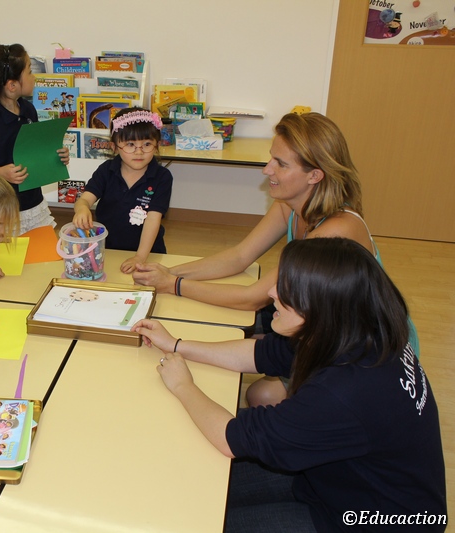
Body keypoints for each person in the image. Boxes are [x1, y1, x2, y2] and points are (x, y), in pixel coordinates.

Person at [133, 238, 446, 533]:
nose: (271, 292)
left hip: (369, 519)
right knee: (196, 484)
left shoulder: (344, 391)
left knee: (201, 522)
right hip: (335, 477)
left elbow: (232, 438)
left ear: (319, 307)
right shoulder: (353, 329)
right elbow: (260, 354)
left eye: (286, 290)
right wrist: (176, 345)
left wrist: (184, 386)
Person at [131, 111, 418, 405]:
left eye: (280, 164)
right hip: (318, 322)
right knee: (241, 352)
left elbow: (253, 298)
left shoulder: (335, 231)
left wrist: (173, 285)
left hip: (363, 348)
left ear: (315, 175)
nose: (267, 169)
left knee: (260, 395)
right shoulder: (292, 202)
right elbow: (239, 256)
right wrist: (168, 273)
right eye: (271, 158)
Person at [0, 43, 70, 235]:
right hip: (2, 209)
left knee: (42, 247)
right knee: (9, 252)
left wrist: (57, 155)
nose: (34, 77)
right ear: (12, 85)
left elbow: (34, 151)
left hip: (33, 201)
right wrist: (0, 172)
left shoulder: (28, 110)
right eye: (30, 72)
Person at [72, 107, 173, 274]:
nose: (139, 151)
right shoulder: (106, 170)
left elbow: (153, 220)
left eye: (147, 144)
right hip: (107, 249)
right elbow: (84, 199)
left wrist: (140, 257)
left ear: (157, 146)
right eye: (130, 144)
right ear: (114, 147)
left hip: (148, 252)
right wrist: (82, 209)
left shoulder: (162, 177)